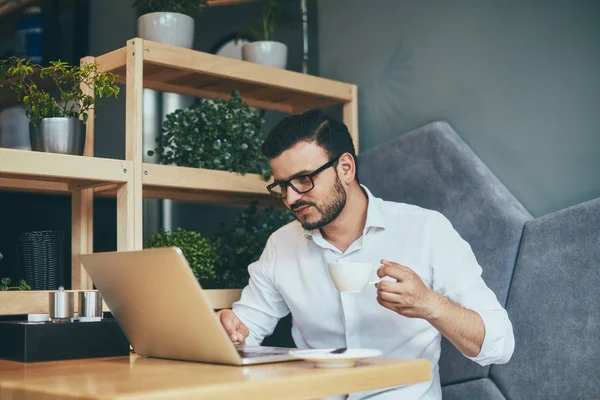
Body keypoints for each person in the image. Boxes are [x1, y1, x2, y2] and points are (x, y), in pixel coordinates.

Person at [216, 110, 514, 399]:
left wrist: (430, 304)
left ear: (345, 168)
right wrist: (231, 331)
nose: (291, 198)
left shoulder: (426, 230)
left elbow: (499, 344)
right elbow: (246, 332)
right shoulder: (281, 245)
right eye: (282, 185)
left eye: (304, 179)